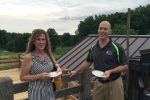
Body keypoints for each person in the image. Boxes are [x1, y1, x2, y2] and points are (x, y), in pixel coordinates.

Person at [70, 21, 128, 100]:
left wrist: (110, 71)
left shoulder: (117, 47)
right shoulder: (93, 48)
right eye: (100, 28)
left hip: (114, 83)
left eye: (105, 29)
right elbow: (88, 61)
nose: (102, 31)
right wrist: (76, 71)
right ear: (97, 30)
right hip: (98, 83)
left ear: (110, 31)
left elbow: (125, 67)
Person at [20, 29, 61, 100]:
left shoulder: (49, 54)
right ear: (34, 42)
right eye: (38, 39)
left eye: (43, 39)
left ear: (46, 41)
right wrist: (39, 76)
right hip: (36, 92)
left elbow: (56, 64)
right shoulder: (28, 57)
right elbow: (22, 77)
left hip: (49, 91)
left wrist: (58, 68)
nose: (41, 42)